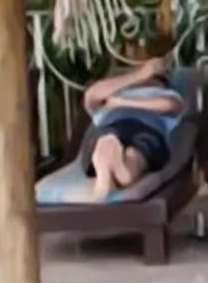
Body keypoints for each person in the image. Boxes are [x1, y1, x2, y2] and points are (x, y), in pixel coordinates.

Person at [77, 57, 187, 202]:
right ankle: (119, 174)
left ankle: (108, 177)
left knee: (133, 153)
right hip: (111, 127)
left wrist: (121, 102)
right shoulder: (113, 94)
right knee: (108, 139)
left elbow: (169, 105)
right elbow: (91, 95)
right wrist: (140, 74)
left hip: (146, 131)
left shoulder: (166, 94)